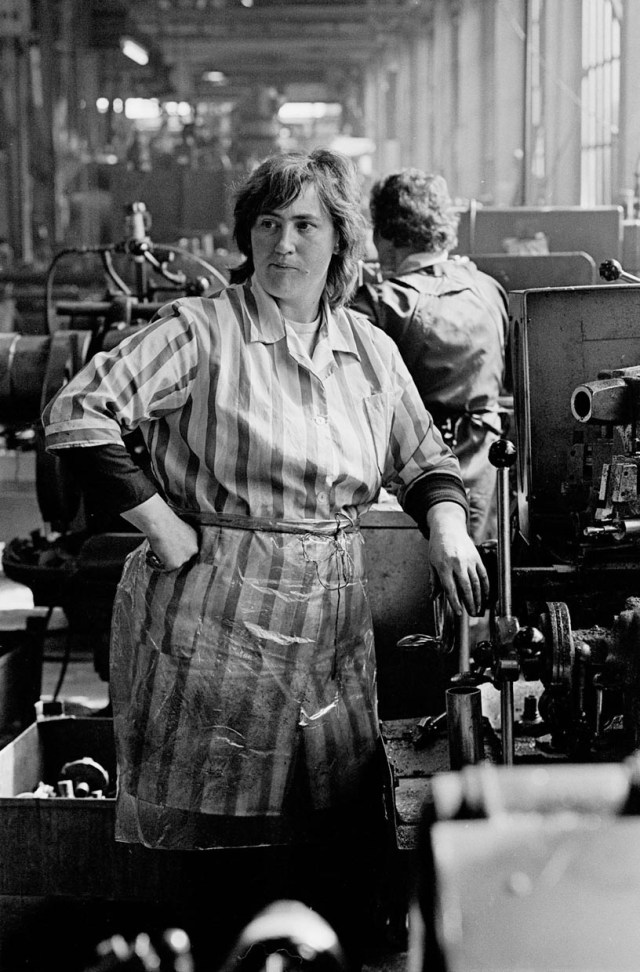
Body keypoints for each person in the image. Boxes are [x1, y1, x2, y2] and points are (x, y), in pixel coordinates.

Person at [41, 149, 488, 959]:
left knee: (329, 831)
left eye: (305, 225)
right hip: (219, 627)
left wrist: (448, 527)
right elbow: (81, 414)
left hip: (330, 630)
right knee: (225, 843)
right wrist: (164, 527)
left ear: (340, 241)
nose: (284, 243)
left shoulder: (368, 349)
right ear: (248, 235)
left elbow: (424, 458)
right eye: (269, 224)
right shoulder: (202, 332)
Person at [351, 169, 509, 543]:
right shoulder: (489, 289)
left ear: (384, 235)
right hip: (487, 474)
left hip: (414, 486)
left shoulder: (379, 305)